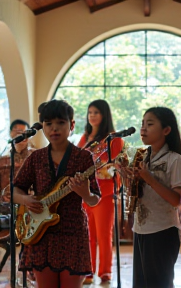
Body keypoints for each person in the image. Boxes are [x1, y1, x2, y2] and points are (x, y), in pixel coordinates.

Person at [13, 99, 100, 288]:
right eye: (48, 123)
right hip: (40, 234)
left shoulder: (83, 157)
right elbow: (14, 190)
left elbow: (94, 199)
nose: (54, 128)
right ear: (42, 126)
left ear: (72, 125)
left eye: (61, 123)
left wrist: (85, 193)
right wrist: (26, 199)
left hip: (73, 232)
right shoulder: (35, 158)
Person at [130, 106, 181, 288]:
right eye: (142, 124)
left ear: (166, 130)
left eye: (150, 124)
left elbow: (176, 200)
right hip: (141, 229)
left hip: (163, 231)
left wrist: (149, 178)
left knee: (159, 284)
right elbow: (138, 195)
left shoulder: (175, 159)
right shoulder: (142, 157)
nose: (143, 129)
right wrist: (127, 178)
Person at [77, 99, 124, 284]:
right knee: (87, 234)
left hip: (105, 193)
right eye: (89, 112)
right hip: (84, 193)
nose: (92, 116)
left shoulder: (114, 138)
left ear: (104, 115)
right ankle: (88, 271)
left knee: (104, 235)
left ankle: (105, 272)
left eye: (96, 112)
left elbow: (118, 166)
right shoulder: (85, 137)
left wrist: (115, 188)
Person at [0, 119, 36, 203]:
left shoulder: (37, 156)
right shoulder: (2, 161)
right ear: (11, 134)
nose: (21, 135)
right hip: (7, 208)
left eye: (24, 132)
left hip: (31, 205)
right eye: (18, 132)